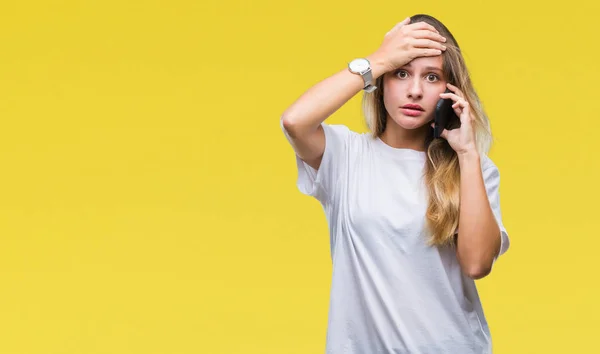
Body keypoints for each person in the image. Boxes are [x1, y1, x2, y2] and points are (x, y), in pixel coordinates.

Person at [279, 13, 510, 354]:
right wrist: (379, 59)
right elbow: (294, 121)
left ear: (449, 92)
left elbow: (477, 264)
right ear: (382, 80)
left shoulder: (471, 168)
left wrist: (467, 153)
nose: (414, 91)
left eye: (432, 77)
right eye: (402, 73)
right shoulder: (346, 156)